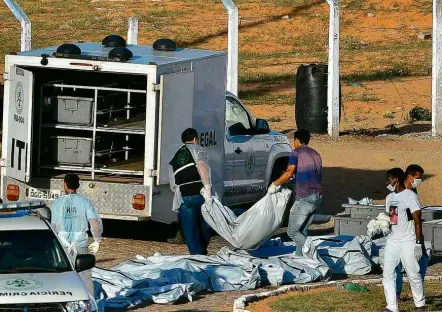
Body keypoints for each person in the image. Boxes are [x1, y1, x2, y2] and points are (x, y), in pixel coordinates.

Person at [267, 129, 322, 256]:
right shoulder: (316, 154)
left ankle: (312, 251)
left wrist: (275, 184)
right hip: (317, 196)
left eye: (294, 140)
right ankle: (301, 259)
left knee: (292, 232)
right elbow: (313, 175)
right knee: (302, 231)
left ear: (296, 140)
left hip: (305, 197)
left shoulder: (295, 153)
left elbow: (289, 172)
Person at [51, 173, 103, 295]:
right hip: (80, 244)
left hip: (62, 247)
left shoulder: (57, 203)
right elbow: (94, 223)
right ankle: (89, 304)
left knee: (62, 277)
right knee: (85, 277)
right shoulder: (85, 202)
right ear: (78, 185)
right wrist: (97, 239)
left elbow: (53, 225)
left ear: (64, 185)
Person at [382, 168, 426, 312]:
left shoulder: (410, 196)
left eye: (389, 179)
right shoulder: (389, 198)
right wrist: (383, 224)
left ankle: (420, 304)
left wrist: (418, 243)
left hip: (408, 241)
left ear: (396, 180)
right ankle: (392, 306)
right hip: (393, 240)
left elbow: (417, 221)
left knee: (413, 273)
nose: (387, 182)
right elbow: (393, 219)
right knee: (388, 274)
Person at [169, 128, 212, 255]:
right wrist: (207, 186)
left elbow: (173, 182)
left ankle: (196, 256)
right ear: (195, 139)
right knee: (206, 224)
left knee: (190, 231)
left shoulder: (175, 155)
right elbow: (202, 166)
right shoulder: (199, 149)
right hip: (199, 192)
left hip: (184, 195)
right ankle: (202, 253)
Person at [396, 164, 428, 301]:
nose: (419, 181)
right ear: (410, 177)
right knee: (397, 264)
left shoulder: (413, 191)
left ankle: (413, 291)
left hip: (414, 231)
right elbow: (394, 215)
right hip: (401, 233)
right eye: (418, 178)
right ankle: (396, 293)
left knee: (423, 259)